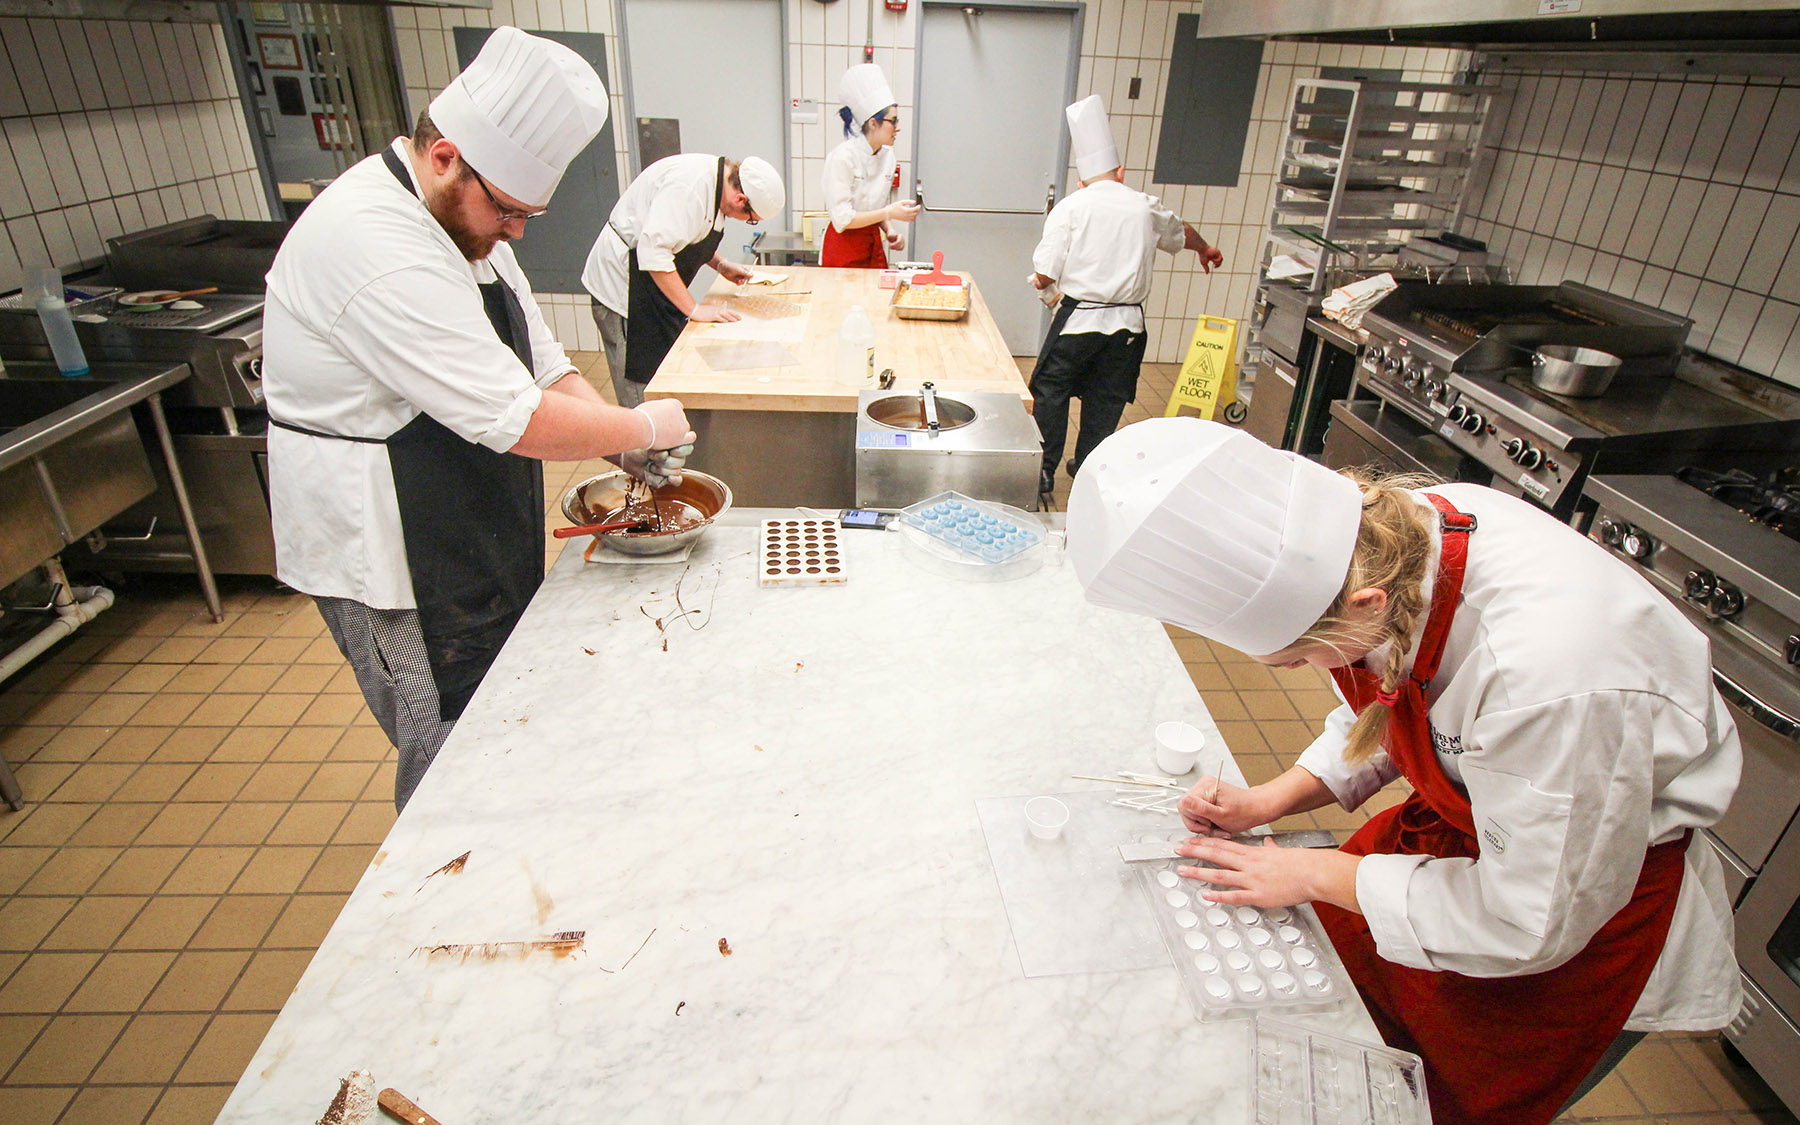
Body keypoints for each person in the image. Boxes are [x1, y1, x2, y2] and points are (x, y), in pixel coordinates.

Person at [1067, 418, 1742, 1125]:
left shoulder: (1550, 679)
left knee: (1434, 1105)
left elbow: (1529, 919)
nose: (1312, 672)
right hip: (1460, 839)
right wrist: (1274, 798)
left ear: (1367, 605)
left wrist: (1315, 873)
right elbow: (1398, 700)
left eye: (1300, 660)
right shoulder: (1395, 543)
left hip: (1573, 909)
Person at [263, 27, 696, 810]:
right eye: (510, 209)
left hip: (456, 504)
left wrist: (618, 450)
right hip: (392, 542)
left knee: (495, 711)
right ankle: (440, 895)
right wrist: (641, 427)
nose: (519, 231)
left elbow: (543, 365)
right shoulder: (377, 239)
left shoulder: (463, 221)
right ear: (443, 157)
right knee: (446, 742)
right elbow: (517, 418)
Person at [1029, 96, 1224, 496]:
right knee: (1106, 397)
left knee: (1051, 390)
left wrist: (1047, 285)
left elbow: (1045, 272)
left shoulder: (1071, 207)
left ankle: (1045, 470)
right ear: (1120, 172)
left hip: (1079, 320)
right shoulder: (1143, 205)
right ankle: (1087, 470)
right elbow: (1182, 231)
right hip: (1127, 327)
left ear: (1082, 180)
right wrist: (1206, 249)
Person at [581, 152, 786, 407]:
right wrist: (695, 309)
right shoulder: (689, 189)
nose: (747, 222)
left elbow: (688, 235)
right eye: (751, 218)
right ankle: (639, 444)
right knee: (642, 394)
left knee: (665, 381)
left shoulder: (719, 187)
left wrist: (721, 265)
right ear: (740, 198)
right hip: (624, 291)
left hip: (651, 290)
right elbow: (653, 252)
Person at [820, 63, 919, 268]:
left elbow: (878, 205)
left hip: (872, 246)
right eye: (893, 121)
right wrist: (889, 213)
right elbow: (843, 220)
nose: (898, 128)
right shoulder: (842, 158)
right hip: (842, 249)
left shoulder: (888, 156)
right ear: (873, 123)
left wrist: (889, 230)